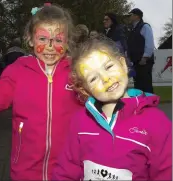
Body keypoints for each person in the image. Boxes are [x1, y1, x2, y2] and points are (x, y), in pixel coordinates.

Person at [0, 3, 82, 181]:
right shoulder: (18, 70)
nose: (50, 46)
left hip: (69, 169)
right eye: (42, 38)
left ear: (67, 42)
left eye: (58, 40)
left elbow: (97, 105)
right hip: (26, 170)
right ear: (30, 39)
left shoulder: (77, 72)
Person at [52, 38, 172, 180]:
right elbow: (66, 171)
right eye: (93, 79)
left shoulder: (157, 123)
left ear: (122, 64)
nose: (106, 78)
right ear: (85, 90)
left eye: (108, 67)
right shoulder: (80, 121)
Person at [127, 8, 155, 93]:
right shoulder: (132, 30)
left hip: (144, 62)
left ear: (137, 16)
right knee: (138, 86)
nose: (129, 17)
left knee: (146, 85)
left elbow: (149, 42)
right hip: (136, 62)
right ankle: (141, 105)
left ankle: (150, 104)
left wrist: (145, 57)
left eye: (130, 15)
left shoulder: (145, 27)